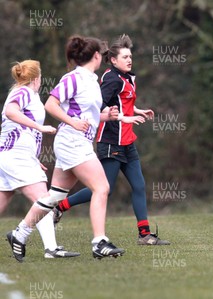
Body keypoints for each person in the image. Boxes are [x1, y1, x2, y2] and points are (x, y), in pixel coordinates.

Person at [7, 35, 125, 261]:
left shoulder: (91, 80)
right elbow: (50, 104)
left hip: (75, 141)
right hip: (72, 141)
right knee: (102, 187)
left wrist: (105, 116)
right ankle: (99, 241)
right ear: (97, 55)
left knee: (55, 196)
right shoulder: (74, 78)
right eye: (103, 54)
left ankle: (20, 233)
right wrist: (72, 123)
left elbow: (84, 114)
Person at [52, 34, 169, 246]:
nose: (129, 60)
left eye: (130, 56)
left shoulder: (126, 78)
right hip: (111, 141)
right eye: (124, 56)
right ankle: (60, 206)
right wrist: (123, 117)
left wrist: (137, 110)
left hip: (127, 141)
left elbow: (119, 104)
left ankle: (144, 234)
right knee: (105, 188)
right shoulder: (111, 78)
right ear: (113, 60)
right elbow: (99, 106)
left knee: (139, 185)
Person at [2, 60, 79, 261]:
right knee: (44, 198)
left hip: (14, 156)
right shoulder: (24, 91)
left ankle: (48, 247)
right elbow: (11, 112)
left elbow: (20, 128)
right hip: (15, 156)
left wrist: (34, 157)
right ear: (36, 78)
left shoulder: (29, 94)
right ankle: (50, 248)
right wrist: (40, 128)